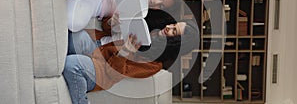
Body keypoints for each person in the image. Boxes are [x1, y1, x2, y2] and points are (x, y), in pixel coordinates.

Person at [64, 18, 199, 104]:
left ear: (175, 44)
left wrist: (125, 52)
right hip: (98, 46)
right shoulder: (152, 29)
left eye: (174, 31)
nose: (169, 27)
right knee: (76, 36)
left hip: (102, 70)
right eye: (173, 24)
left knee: (73, 64)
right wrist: (113, 21)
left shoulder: (154, 65)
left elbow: (114, 74)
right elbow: (108, 27)